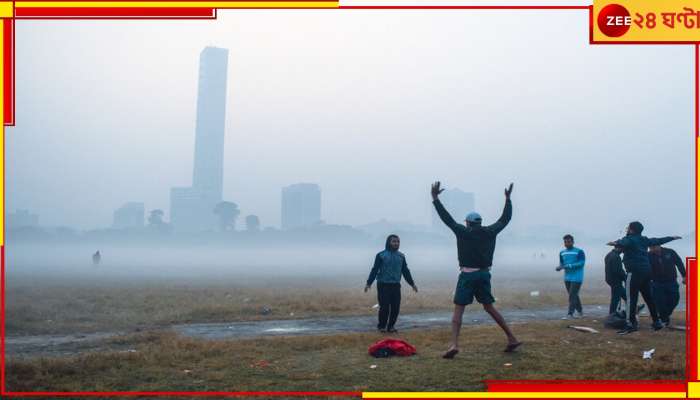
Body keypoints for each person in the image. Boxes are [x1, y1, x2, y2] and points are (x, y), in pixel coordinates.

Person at [432, 181, 521, 358]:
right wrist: (508, 199)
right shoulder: (490, 231)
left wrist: (435, 198)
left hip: (467, 275)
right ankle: (511, 337)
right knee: (489, 307)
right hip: (484, 274)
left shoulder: (462, 231)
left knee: (459, 309)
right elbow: (505, 219)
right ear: (479, 223)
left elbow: (447, 219)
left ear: (467, 223)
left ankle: (454, 344)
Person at [607, 221, 681, 335]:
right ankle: (656, 322)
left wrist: (614, 242)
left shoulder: (629, 239)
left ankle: (631, 324)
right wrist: (672, 237)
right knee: (649, 298)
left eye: (628, 228)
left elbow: (622, 243)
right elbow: (658, 240)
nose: (627, 230)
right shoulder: (644, 239)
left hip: (634, 272)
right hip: (647, 272)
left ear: (631, 230)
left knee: (631, 298)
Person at [365, 234, 418, 333]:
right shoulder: (381, 255)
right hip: (383, 285)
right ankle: (382, 326)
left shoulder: (401, 256)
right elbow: (375, 269)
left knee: (395, 307)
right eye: (394, 241)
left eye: (398, 242)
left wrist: (412, 284)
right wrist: (369, 283)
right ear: (388, 242)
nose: (396, 243)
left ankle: (391, 327)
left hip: (396, 285)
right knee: (384, 307)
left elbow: (405, 271)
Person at [648, 245, 686, 327]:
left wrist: (684, 275)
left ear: (658, 246)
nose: (651, 249)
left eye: (653, 247)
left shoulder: (670, 252)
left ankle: (663, 316)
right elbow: (644, 268)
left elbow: (679, 263)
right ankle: (664, 319)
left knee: (675, 299)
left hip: (671, 281)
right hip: (656, 282)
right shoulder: (648, 255)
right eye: (650, 248)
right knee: (660, 302)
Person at [556, 235, 585, 319]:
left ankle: (570, 314)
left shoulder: (579, 251)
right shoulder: (562, 252)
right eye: (565, 242)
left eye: (568, 242)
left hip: (577, 277)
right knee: (574, 295)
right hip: (567, 277)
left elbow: (581, 263)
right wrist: (559, 267)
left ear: (573, 242)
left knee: (572, 295)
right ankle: (580, 311)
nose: (567, 243)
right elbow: (562, 263)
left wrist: (569, 265)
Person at [604, 246, 627, 316]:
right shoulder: (616, 257)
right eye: (623, 248)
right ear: (619, 248)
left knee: (623, 294)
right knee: (616, 297)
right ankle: (612, 314)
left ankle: (634, 306)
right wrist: (625, 278)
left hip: (610, 279)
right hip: (615, 280)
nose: (623, 250)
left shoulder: (609, 254)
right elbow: (618, 270)